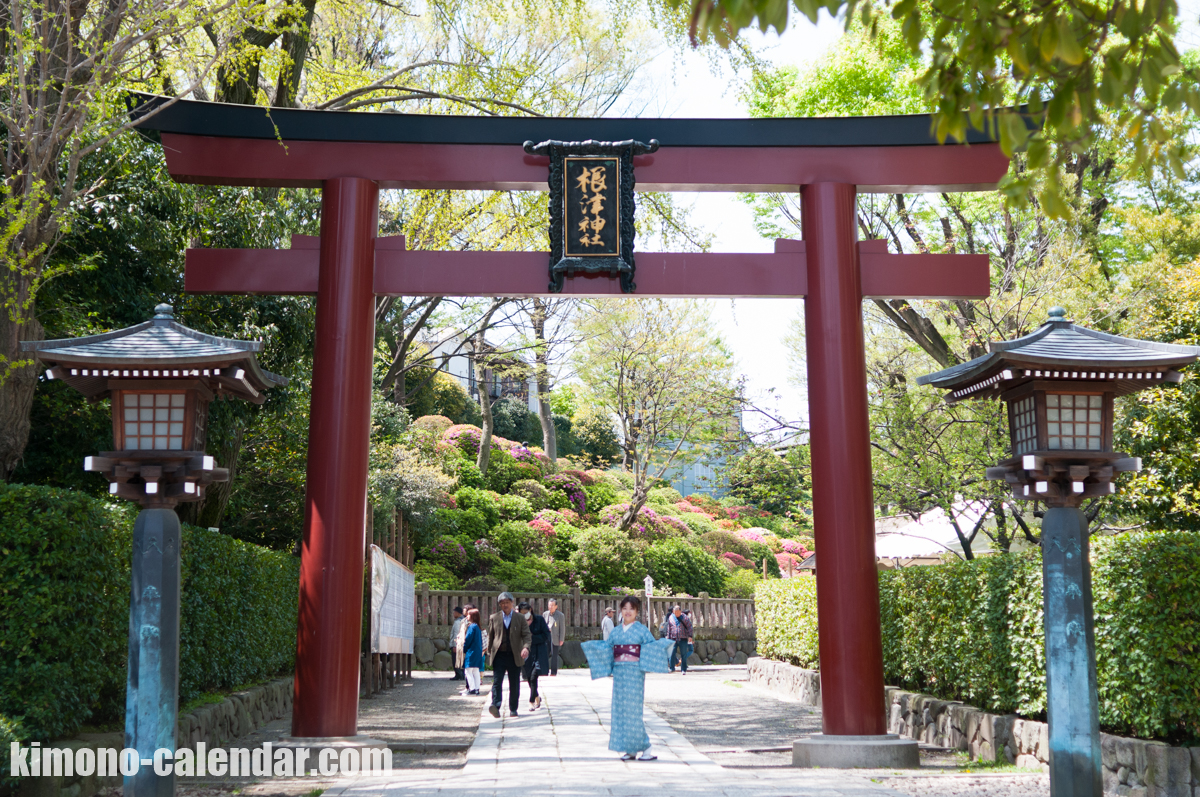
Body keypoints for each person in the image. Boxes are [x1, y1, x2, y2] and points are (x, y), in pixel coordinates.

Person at [581, 595, 674, 761]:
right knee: (621, 711)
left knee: (633, 711)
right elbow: (607, 649)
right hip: (619, 675)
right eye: (625, 608)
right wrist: (592, 648)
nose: (628, 611)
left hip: (635, 674)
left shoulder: (641, 630)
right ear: (621, 611)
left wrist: (665, 644)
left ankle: (646, 747)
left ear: (637, 611)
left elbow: (651, 648)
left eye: (631, 608)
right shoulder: (616, 631)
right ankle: (630, 749)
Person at [487, 591, 531, 718]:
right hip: (499, 655)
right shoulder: (494, 617)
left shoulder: (520, 618)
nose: (505, 605)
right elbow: (491, 636)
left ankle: (513, 708)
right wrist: (489, 651)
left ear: (512, 603)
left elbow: (527, 636)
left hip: (514, 655)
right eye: (502, 603)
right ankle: (495, 705)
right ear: (499, 605)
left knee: (514, 683)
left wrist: (526, 648)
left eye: (507, 602)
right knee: (497, 681)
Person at [520, 601, 551, 711]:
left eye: (526, 612)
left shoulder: (539, 619)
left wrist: (532, 638)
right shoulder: (520, 622)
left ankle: (531, 701)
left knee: (534, 676)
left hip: (539, 651)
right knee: (529, 677)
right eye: (522, 613)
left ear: (530, 610)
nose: (525, 614)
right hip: (526, 652)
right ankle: (537, 696)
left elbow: (546, 634)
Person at [666, 605, 694, 674]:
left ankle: (683, 669)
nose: (676, 614)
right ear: (673, 611)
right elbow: (669, 628)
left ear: (680, 611)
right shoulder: (671, 617)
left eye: (677, 613)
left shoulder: (685, 617)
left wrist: (690, 636)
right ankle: (672, 668)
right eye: (675, 613)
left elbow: (690, 627)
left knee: (683, 654)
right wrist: (668, 638)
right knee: (672, 654)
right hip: (673, 638)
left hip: (683, 638)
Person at [462, 608, 484, 695]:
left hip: (471, 651)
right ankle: (477, 688)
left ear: (472, 616)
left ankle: (472, 688)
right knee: (475, 671)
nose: (467, 616)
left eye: (468, 615)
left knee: (468, 671)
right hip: (477, 651)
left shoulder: (471, 626)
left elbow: (468, 639)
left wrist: (464, 648)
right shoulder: (478, 626)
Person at [543, 598, 566, 675]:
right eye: (549, 605)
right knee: (544, 654)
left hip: (555, 637)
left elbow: (562, 628)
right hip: (546, 637)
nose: (550, 607)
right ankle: (544, 671)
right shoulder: (545, 614)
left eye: (552, 605)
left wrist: (561, 639)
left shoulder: (560, 615)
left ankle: (553, 672)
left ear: (556, 606)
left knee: (554, 656)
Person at [450, 606, 465, 681]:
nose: (453, 613)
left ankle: (459, 675)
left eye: (454, 612)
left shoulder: (458, 622)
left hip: (457, 644)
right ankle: (461, 674)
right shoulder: (463, 621)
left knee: (455, 660)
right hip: (461, 644)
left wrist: (455, 645)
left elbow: (456, 634)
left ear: (458, 613)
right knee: (459, 660)